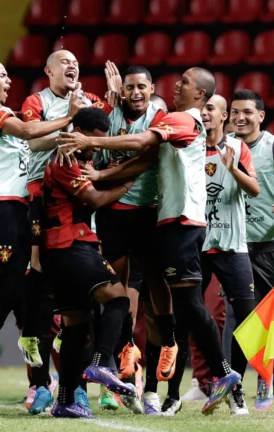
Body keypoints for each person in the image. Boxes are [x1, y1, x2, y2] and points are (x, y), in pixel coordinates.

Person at [57, 67, 241, 415]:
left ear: (200, 94)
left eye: (185, 82)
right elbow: (141, 155)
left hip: (181, 221)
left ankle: (220, 373)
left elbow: (143, 145)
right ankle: (216, 373)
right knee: (170, 299)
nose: (178, 84)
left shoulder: (182, 120)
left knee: (182, 302)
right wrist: (103, 168)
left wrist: (91, 143)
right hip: (169, 221)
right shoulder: (164, 118)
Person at [0, 59, 83, 404]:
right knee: (8, 286)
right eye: (2, 75)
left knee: (27, 299)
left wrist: (69, 135)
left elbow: (33, 141)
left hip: (17, 207)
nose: (9, 80)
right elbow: (26, 132)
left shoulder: (5, 114)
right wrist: (69, 116)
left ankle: (39, 383)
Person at [19, 50, 103, 413]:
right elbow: (33, 141)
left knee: (78, 305)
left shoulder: (90, 100)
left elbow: (107, 132)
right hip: (42, 198)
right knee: (40, 300)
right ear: (48, 69)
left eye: (77, 64)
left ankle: (77, 386)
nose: (73, 66)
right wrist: (70, 127)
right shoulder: (36, 101)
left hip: (80, 202)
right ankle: (38, 385)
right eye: (64, 62)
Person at [79, 64, 167, 414]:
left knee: (154, 303)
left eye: (141, 86)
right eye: (129, 86)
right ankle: (121, 372)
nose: (135, 92)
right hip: (112, 216)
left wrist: (104, 174)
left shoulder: (160, 118)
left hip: (148, 215)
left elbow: (145, 159)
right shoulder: (108, 115)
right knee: (116, 296)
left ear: (151, 88)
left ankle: (153, 389)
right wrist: (106, 103)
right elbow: (86, 134)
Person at [41, 107, 136, 418]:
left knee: (75, 327)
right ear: (75, 132)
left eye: (100, 141)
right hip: (72, 244)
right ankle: (101, 362)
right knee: (119, 297)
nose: (96, 147)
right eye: (91, 140)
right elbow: (94, 200)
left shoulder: (82, 156)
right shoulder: (66, 159)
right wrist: (126, 185)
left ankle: (65, 401)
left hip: (57, 251)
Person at [167, 94, 259, 416]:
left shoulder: (237, 148)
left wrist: (232, 169)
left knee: (246, 320)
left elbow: (254, 190)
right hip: (196, 245)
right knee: (182, 318)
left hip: (233, 245)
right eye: (202, 108)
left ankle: (235, 391)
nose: (204, 113)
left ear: (223, 118)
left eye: (211, 109)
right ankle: (172, 395)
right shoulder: (186, 148)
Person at [232, 89, 274, 407]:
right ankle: (233, 385)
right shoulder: (225, 147)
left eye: (247, 112)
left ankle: (266, 382)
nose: (240, 117)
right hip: (232, 245)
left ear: (261, 115)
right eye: (235, 112)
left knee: (264, 319)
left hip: (268, 247)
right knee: (241, 317)